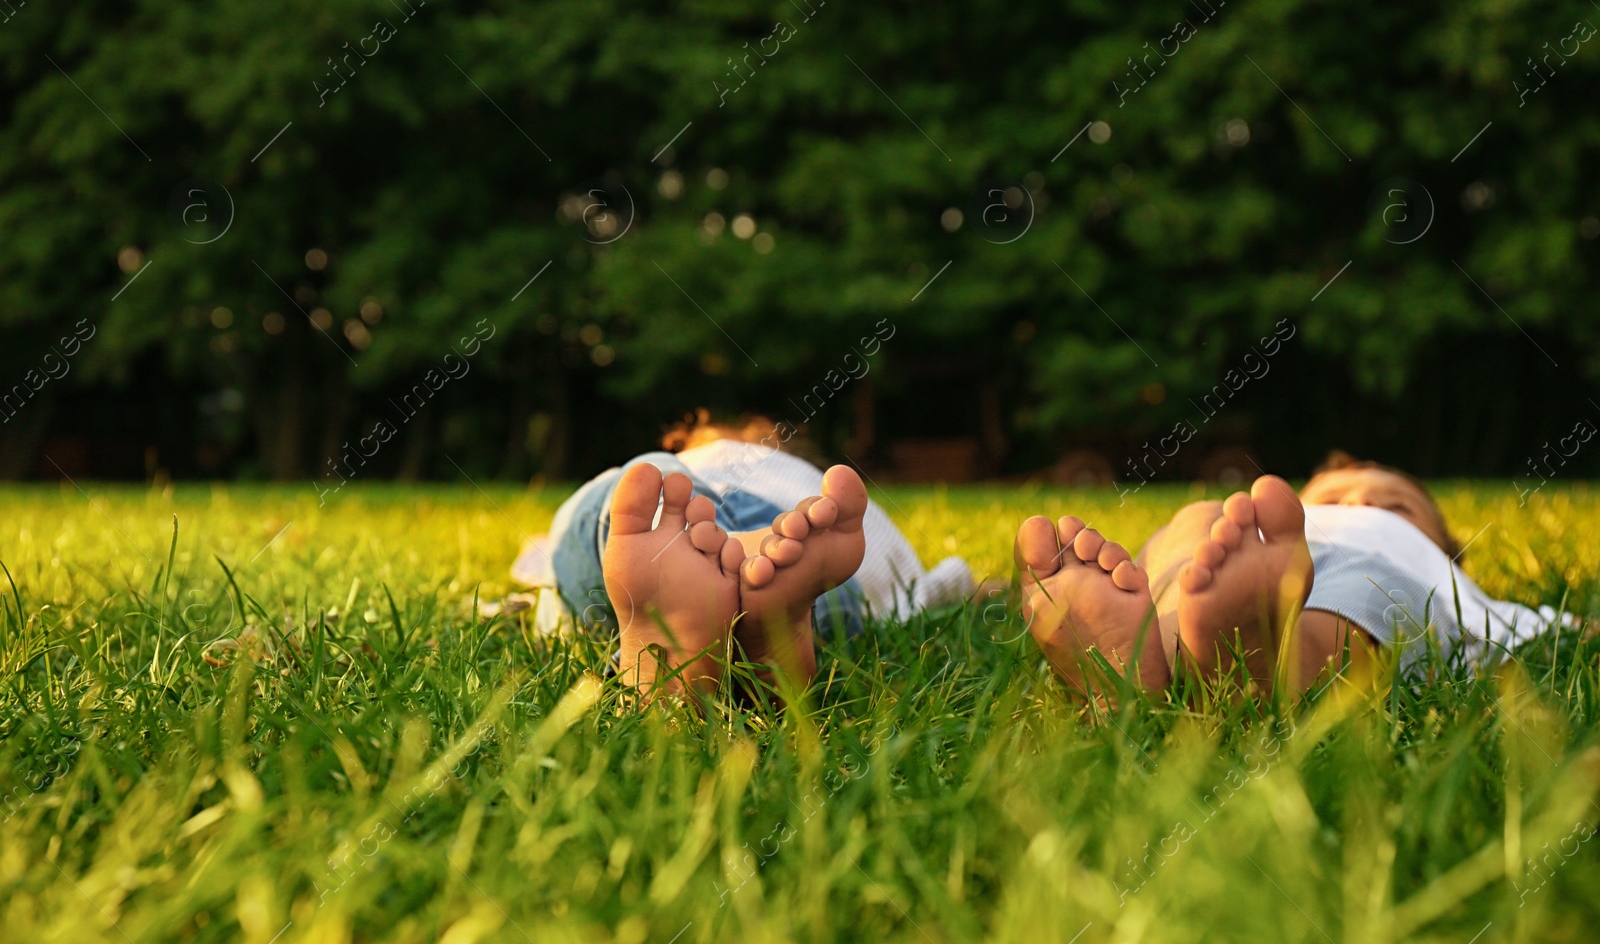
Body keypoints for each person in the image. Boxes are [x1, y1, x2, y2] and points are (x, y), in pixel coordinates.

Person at [1013, 452, 1561, 698]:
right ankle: (1156, 647)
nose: (1364, 501)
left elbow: (1559, 628)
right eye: (1336, 497)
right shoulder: (1274, 531)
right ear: (1305, 504)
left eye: (1397, 507)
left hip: (1359, 579)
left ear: (1447, 553)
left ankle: (1273, 655)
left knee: (1355, 603)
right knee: (1197, 528)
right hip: (1268, 558)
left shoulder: (1447, 581)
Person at [508, 412, 975, 698]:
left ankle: (691, 602)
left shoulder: (697, 459)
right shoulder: (802, 487)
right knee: (830, 597)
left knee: (639, 487)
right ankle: (770, 627)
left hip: (670, 521)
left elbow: (542, 567)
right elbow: (926, 584)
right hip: (784, 525)